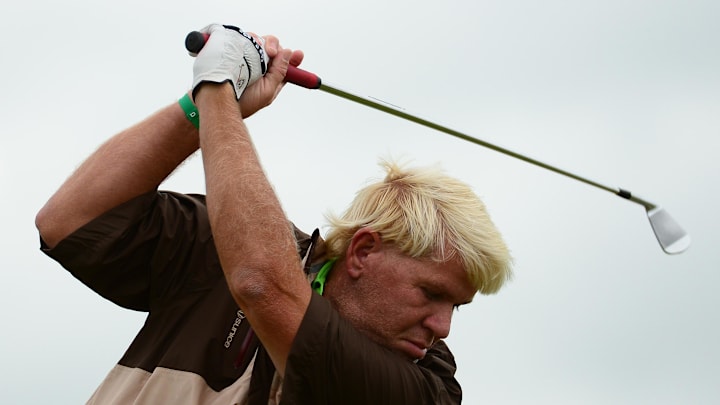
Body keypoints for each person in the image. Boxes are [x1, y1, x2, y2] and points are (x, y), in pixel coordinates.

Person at [35, 23, 513, 404]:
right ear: (363, 250)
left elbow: (262, 285)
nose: (442, 326)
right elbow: (69, 222)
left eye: (456, 306)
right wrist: (196, 106)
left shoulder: (430, 389)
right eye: (432, 293)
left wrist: (217, 91)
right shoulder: (234, 242)